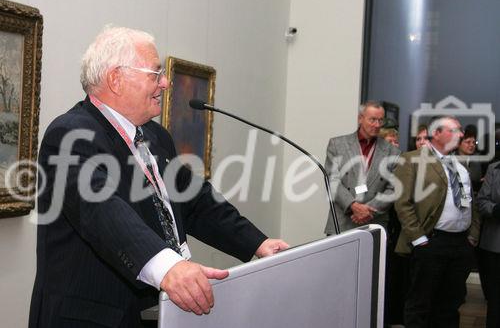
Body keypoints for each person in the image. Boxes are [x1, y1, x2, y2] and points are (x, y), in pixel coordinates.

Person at [28, 26, 288, 328]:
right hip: (93, 318)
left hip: (156, 312)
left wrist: (258, 243)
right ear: (116, 79)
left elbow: (196, 202)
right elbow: (103, 213)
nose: (165, 83)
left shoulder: (155, 136)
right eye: (155, 74)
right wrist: (169, 268)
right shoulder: (71, 134)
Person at [393, 116, 480, 328]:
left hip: (460, 245)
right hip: (431, 243)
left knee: (451, 303)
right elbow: (403, 203)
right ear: (437, 133)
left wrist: (472, 235)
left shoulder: (459, 165)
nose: (460, 135)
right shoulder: (411, 160)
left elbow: (471, 203)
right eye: (455, 130)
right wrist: (419, 239)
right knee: (420, 303)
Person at [324, 100, 400, 234]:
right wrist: (353, 206)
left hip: (374, 223)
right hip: (342, 222)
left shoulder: (392, 152)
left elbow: (393, 189)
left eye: (380, 121)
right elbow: (332, 180)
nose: (377, 125)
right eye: (372, 120)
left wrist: (367, 210)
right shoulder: (337, 144)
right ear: (360, 119)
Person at [476, 161, 500, 328]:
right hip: (494, 244)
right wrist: (496, 209)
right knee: (495, 298)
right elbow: (481, 202)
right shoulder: (494, 169)